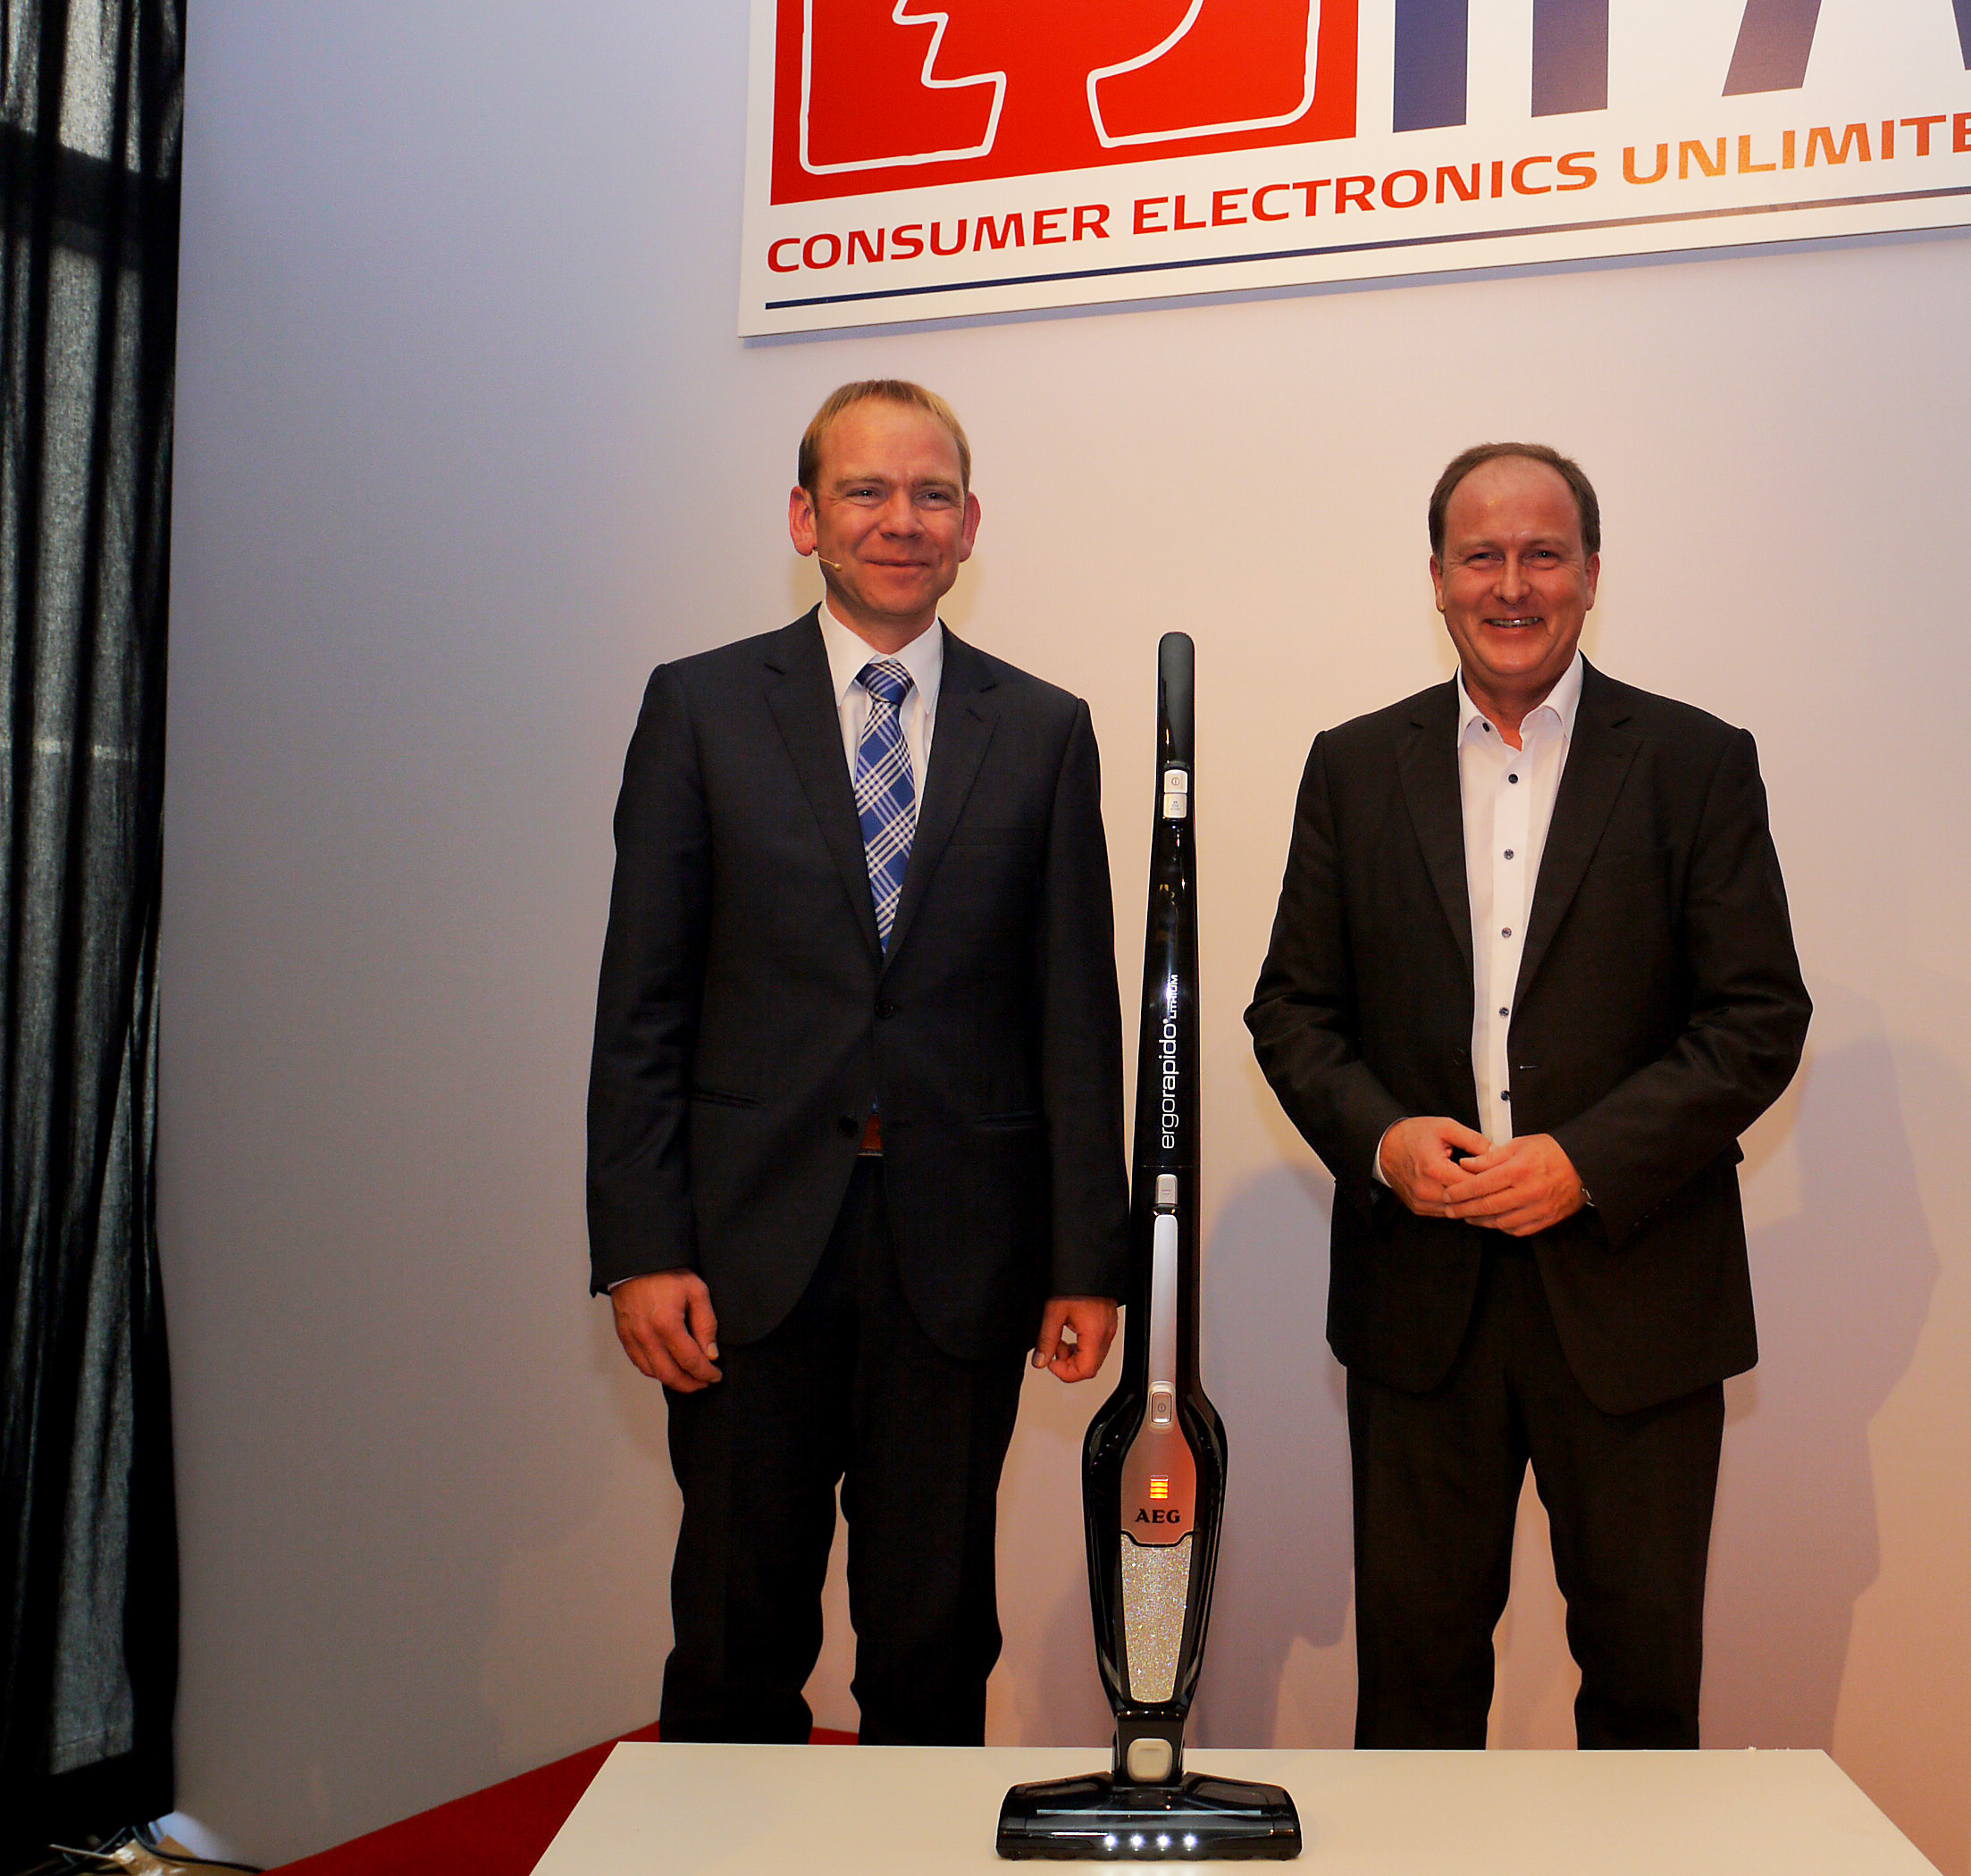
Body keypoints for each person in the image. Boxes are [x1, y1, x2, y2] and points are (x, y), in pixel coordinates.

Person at [586, 380, 1128, 1745]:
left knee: (933, 1645)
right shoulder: (701, 709)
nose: (901, 519)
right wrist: (640, 1247)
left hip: (962, 1260)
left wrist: (1086, 1257)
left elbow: (1075, 1015)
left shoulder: (1045, 730)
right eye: (866, 491)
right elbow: (642, 1004)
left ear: (970, 525)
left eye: (931, 494)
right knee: (735, 1633)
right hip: (743, 1255)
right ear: (805, 517)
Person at [1245, 441, 1810, 1749]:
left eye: (1543, 555)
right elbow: (1293, 1012)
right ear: (1438, 578)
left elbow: (1757, 1018)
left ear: (1592, 574)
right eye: (1482, 557)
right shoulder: (1352, 767)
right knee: (1416, 1696)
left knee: (1643, 1694)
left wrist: (1587, 1161)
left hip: (1637, 1298)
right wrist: (1384, 1141)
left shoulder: (1696, 762)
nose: (1513, 585)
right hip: (1419, 1308)